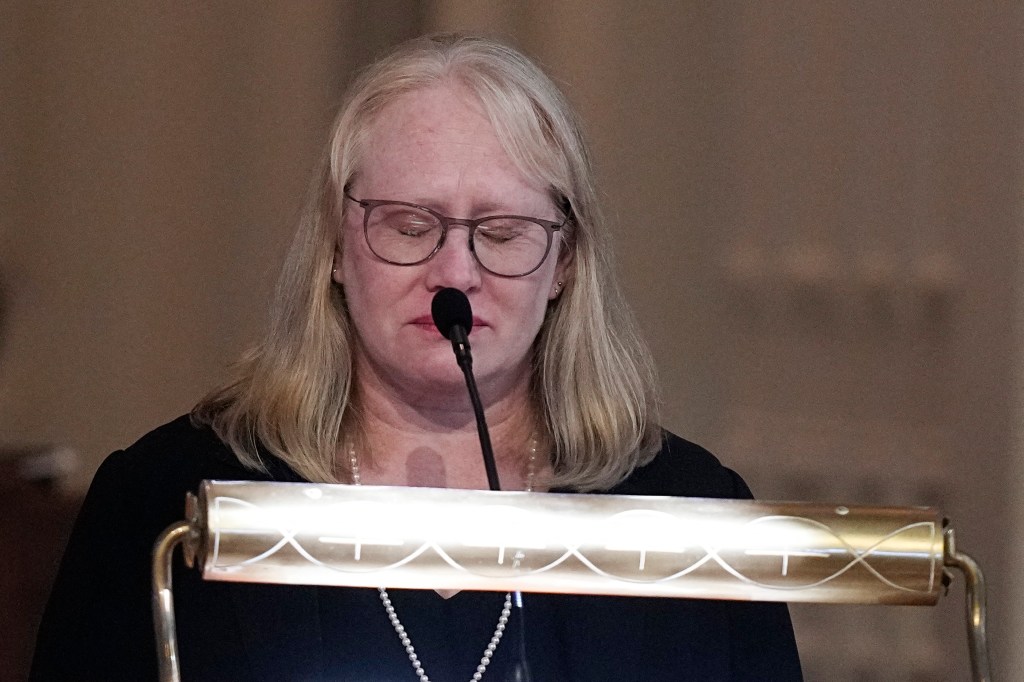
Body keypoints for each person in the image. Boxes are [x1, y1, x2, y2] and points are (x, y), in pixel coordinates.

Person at [31, 34, 802, 681]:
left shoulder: (689, 516)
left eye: (501, 233)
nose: (456, 273)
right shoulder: (169, 502)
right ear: (337, 243)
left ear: (566, 262)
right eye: (408, 226)